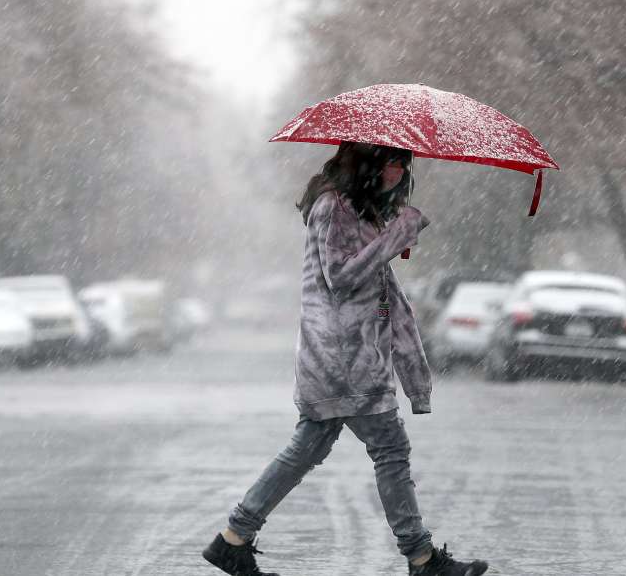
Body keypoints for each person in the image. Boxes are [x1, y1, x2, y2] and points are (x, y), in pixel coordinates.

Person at [202, 142, 488, 576]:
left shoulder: (356, 210)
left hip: (342, 357)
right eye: (390, 161)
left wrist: (391, 233)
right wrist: (396, 236)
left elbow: (381, 292)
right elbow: (340, 276)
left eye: (403, 164)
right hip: (344, 359)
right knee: (390, 449)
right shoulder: (333, 208)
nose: (397, 171)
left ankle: (233, 538)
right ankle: (422, 559)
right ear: (367, 163)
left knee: (306, 450)